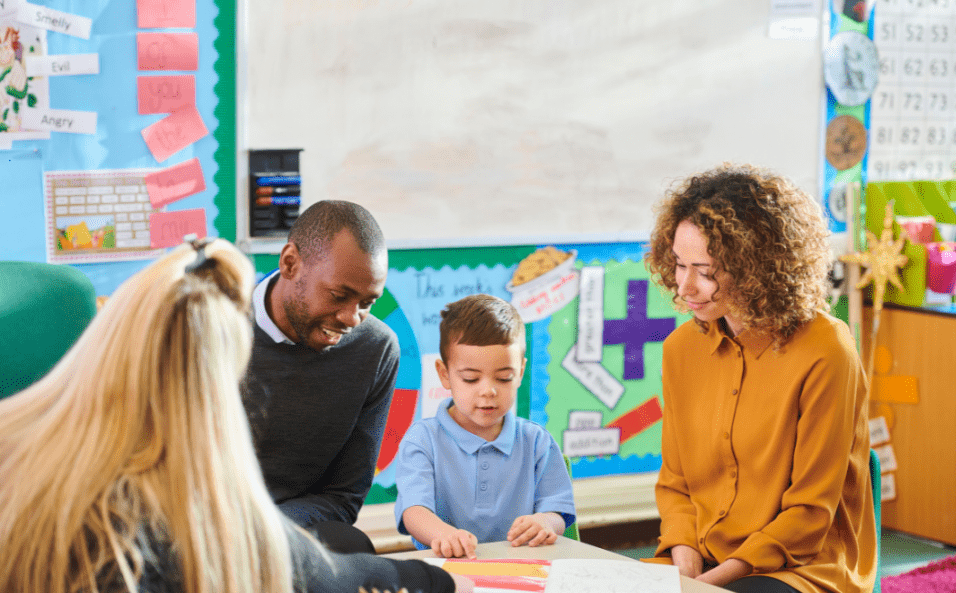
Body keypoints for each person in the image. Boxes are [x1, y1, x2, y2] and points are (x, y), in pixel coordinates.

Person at [0, 238, 471, 593]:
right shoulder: (166, 525)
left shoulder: (18, 443)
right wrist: (438, 581)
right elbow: (312, 570)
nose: (352, 317)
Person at [644, 164, 876, 593]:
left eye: (706, 272)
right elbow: (676, 485)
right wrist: (686, 563)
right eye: (679, 265)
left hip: (801, 567)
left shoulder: (827, 350)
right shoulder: (680, 350)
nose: (685, 287)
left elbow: (809, 512)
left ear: (757, 268)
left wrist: (709, 584)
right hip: (704, 558)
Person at [242, 200, 396, 554]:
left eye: (367, 303)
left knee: (351, 545)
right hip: (200, 531)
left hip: (289, 535)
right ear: (290, 263)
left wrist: (262, 532)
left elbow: (343, 496)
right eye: (339, 296)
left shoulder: (375, 349)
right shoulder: (209, 331)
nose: (352, 318)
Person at [394, 294, 576, 559]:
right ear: (444, 374)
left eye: (504, 378)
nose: (488, 391)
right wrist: (443, 534)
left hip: (522, 567)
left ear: (520, 373)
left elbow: (558, 510)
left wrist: (545, 522)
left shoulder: (536, 441)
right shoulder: (423, 439)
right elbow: (413, 511)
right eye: (471, 379)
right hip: (449, 567)